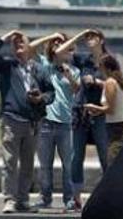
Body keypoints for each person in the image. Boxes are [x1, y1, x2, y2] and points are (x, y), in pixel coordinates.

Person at [0, 30, 55, 214]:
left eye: (21, 42)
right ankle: (9, 199)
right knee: (9, 162)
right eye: (14, 43)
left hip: (32, 122)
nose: (17, 45)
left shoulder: (38, 69)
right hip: (12, 120)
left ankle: (23, 200)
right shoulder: (8, 66)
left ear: (30, 45)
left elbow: (51, 93)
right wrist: (5, 37)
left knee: (27, 164)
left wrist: (40, 98)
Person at [55, 28, 110, 211]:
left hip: (100, 113)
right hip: (80, 112)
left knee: (105, 155)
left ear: (101, 40)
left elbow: (117, 84)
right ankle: (76, 199)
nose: (89, 40)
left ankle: (109, 196)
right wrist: (79, 35)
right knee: (76, 157)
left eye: (92, 37)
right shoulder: (83, 60)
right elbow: (59, 52)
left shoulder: (109, 61)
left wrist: (96, 82)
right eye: (87, 38)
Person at [31, 32, 80, 212]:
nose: (58, 46)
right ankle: (45, 197)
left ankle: (69, 199)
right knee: (45, 165)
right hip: (45, 121)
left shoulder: (74, 70)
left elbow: (76, 90)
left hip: (65, 123)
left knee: (68, 165)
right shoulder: (46, 65)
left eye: (62, 43)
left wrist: (69, 75)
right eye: (55, 44)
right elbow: (31, 47)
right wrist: (50, 36)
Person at [83, 54, 123, 165]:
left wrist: (94, 107)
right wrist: (98, 111)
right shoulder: (117, 82)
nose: (99, 68)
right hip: (120, 126)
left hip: (116, 128)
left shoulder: (110, 83)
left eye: (100, 66)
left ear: (107, 68)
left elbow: (111, 109)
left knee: (113, 163)